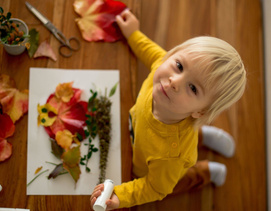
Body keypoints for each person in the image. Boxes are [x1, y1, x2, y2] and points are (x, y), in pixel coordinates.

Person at [90, 9, 246, 210]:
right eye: (180, 66)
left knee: (181, 180)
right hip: (159, 133)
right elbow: (151, 51)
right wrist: (133, 34)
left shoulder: (171, 157)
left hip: (166, 163)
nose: (174, 81)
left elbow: (155, 188)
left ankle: (208, 172)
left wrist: (120, 195)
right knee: (188, 130)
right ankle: (203, 136)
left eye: (192, 88)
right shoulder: (164, 68)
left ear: (201, 112)